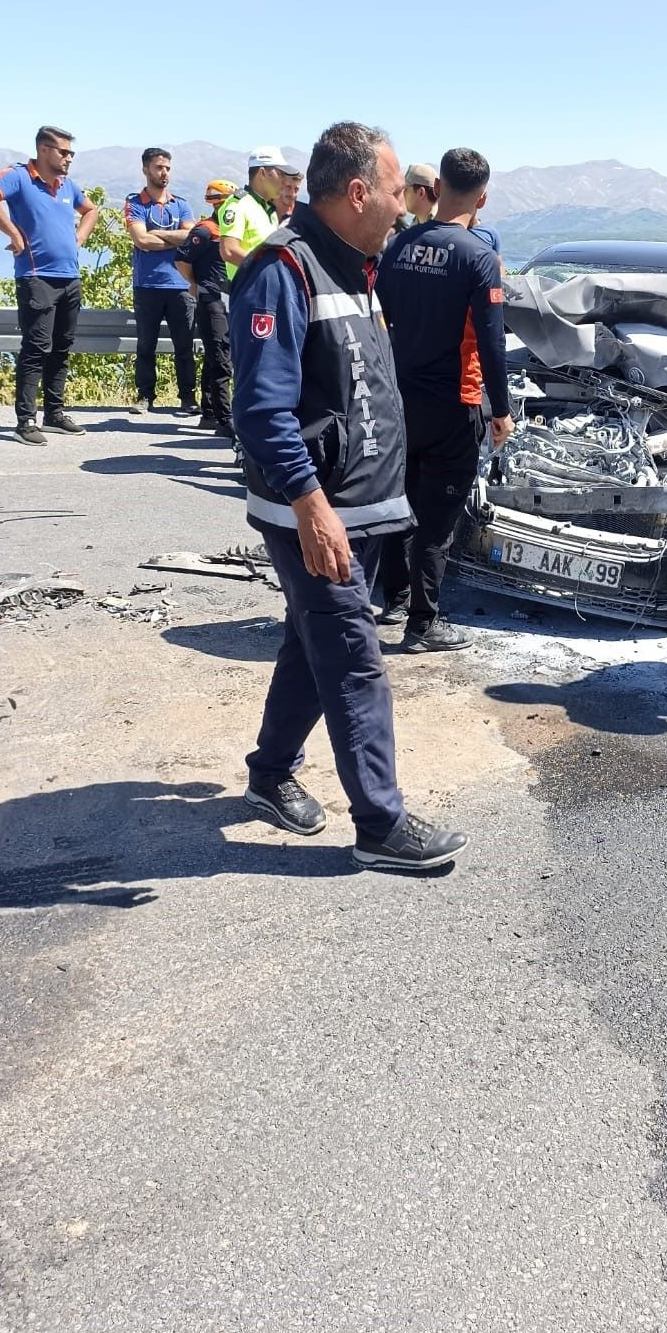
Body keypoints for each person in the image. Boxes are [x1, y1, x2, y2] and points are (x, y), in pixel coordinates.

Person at [229, 120, 468, 871]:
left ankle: (269, 774)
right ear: (358, 190)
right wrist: (312, 508)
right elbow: (262, 411)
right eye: (396, 192)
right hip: (316, 512)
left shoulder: (354, 263)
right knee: (355, 658)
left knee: (313, 642)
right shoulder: (282, 270)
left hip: (356, 506)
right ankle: (380, 824)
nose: (405, 207)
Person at [374, 147, 513, 651]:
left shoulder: (400, 246)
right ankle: (422, 624)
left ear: (437, 190)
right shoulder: (478, 257)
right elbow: (493, 343)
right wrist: (501, 410)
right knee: (438, 517)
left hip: (398, 399)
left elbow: (376, 322)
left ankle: (393, 598)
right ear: (482, 197)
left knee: (398, 501)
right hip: (456, 403)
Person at [0, 125, 99, 446]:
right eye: (63, 152)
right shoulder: (19, 176)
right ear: (44, 150)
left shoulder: (66, 184)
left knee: (61, 348)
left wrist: (80, 236)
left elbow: (91, 210)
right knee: (36, 349)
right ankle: (25, 421)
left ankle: (54, 414)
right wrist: (13, 234)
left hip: (69, 278)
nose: (69, 158)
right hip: (36, 277)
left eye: (71, 153)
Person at [124, 148, 198, 414]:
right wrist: (172, 238)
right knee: (146, 345)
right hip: (148, 286)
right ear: (146, 169)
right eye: (158, 167)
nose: (163, 172)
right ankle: (145, 396)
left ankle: (188, 398)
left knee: (184, 346)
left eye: (167, 168)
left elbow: (192, 239)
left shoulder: (182, 204)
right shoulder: (135, 204)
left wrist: (158, 234)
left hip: (181, 286)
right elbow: (141, 240)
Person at [175, 178, 237, 436]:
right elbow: (181, 258)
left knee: (216, 356)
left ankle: (209, 411)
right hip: (210, 299)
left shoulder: (231, 229)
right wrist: (194, 283)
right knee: (221, 358)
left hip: (228, 299)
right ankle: (225, 419)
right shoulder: (205, 230)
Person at [219, 146, 300, 284]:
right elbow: (229, 250)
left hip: (265, 287)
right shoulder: (238, 204)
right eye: (280, 174)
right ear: (262, 173)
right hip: (248, 289)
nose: (284, 181)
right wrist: (272, 270)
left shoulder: (267, 208)